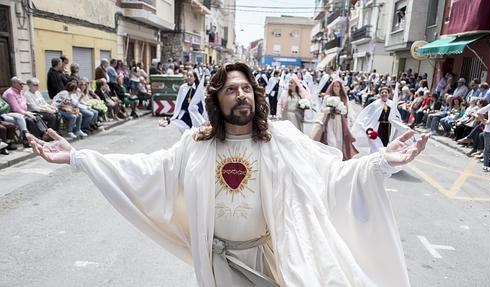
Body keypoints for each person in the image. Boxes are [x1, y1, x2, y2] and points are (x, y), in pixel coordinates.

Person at [27, 62, 430, 287]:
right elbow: (149, 170)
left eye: (247, 89)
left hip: (270, 257)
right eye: (231, 90)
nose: (242, 95)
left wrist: (380, 163)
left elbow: (331, 178)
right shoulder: (197, 145)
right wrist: (79, 158)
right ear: (217, 102)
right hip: (219, 262)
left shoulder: (281, 138)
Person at [352, 85, 410, 154]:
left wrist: (397, 120)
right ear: (380, 94)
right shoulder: (375, 105)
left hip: (388, 127)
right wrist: (368, 128)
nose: (384, 94)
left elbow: (396, 116)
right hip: (377, 126)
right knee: (375, 144)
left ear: (388, 94)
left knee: (385, 144)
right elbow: (368, 117)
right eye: (382, 92)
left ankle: (383, 157)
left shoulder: (392, 104)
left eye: (386, 92)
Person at [311, 79, 358, 160]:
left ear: (340, 87)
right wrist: (330, 109)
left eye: (338, 86)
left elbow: (345, 111)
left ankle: (338, 158)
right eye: (334, 86)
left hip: (339, 121)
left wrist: (339, 110)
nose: (336, 88)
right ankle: (330, 157)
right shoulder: (327, 97)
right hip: (329, 121)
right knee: (330, 139)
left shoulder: (343, 98)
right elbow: (322, 109)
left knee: (339, 140)